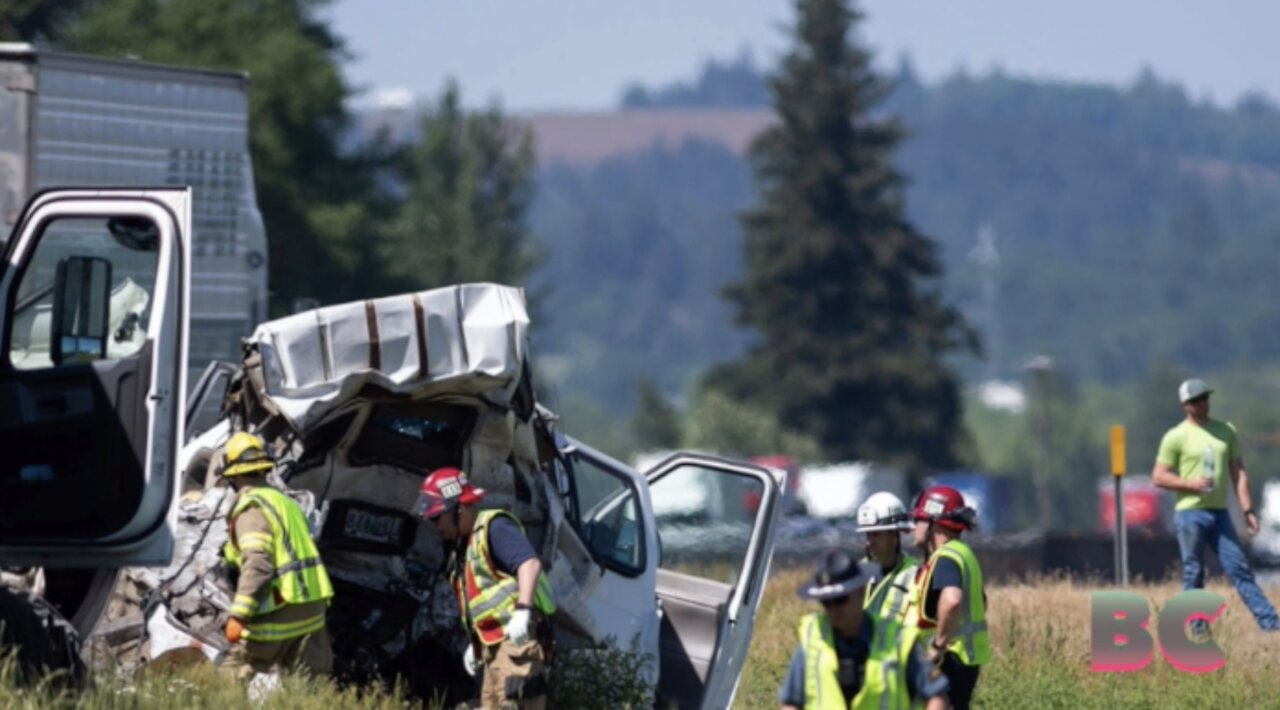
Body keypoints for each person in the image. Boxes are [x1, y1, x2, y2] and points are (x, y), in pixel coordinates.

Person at [416, 467, 557, 709]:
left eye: (437, 517)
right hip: (493, 649)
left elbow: (529, 564)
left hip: (518, 644)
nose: (434, 524)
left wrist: (523, 612)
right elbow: (482, 605)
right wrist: (478, 647)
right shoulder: (462, 549)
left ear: (458, 508)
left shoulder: (494, 528)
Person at [1152, 378, 1279, 631]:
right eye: (1197, 400)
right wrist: (1191, 484)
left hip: (1220, 514)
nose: (1203, 404)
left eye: (1205, 398)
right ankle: (1198, 629)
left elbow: (1239, 473)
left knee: (1238, 567)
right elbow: (1159, 476)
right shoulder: (1175, 437)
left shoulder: (1226, 431)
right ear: (1185, 405)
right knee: (1193, 573)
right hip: (1189, 514)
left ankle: (1270, 623)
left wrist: (1247, 510)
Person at [218, 432, 333, 680]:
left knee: (228, 679)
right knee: (308, 692)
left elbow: (258, 564)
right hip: (312, 611)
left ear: (233, 475)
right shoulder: (286, 502)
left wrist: (239, 614)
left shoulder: (251, 508)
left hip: (281, 609)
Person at [778, 549, 948, 710]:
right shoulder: (812, 636)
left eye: (840, 599)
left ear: (861, 591)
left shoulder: (899, 639)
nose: (833, 609)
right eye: (826, 602)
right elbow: (791, 702)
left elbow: (937, 695)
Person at [910, 485, 990, 710]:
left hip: (951, 659)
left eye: (919, 520)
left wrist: (938, 645)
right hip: (966, 660)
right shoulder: (964, 553)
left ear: (933, 523)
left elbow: (953, 599)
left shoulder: (946, 557)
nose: (914, 527)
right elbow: (982, 603)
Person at [855, 492, 921, 622]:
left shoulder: (916, 575)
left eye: (876, 535)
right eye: (868, 535)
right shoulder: (857, 572)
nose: (869, 542)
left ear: (894, 536)